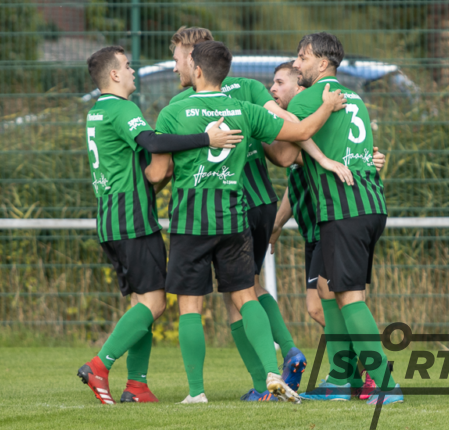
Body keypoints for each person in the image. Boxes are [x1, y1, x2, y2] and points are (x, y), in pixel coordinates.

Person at [148, 40, 347, 404]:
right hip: (233, 217)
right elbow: (299, 133)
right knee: (245, 295)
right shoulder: (243, 108)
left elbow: (158, 172)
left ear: (197, 70)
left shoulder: (172, 112)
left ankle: (196, 393)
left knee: (190, 306)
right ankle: (271, 372)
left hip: (191, 220)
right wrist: (327, 107)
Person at [75, 46, 244, 405]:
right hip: (132, 219)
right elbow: (151, 142)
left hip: (110, 218)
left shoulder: (97, 111)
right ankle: (99, 365)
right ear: (114, 75)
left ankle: (136, 386)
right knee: (154, 303)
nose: (133, 70)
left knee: (142, 301)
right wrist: (206, 139)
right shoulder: (122, 108)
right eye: (127, 65)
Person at [286, 33, 404, 405]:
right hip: (369, 204)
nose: (296, 64)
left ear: (323, 63)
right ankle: (341, 378)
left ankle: (384, 383)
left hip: (344, 208)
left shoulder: (308, 98)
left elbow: (286, 146)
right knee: (326, 287)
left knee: (350, 296)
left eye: (302, 57)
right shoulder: (356, 98)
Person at [265, 61, 386, 401]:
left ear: (300, 86)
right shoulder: (320, 117)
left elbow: (287, 154)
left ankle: (374, 377)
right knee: (326, 294)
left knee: (338, 299)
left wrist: (264, 117)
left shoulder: (310, 108)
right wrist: (276, 224)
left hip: (340, 214)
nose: (274, 89)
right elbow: (298, 173)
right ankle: (343, 376)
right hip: (326, 221)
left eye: (280, 82)